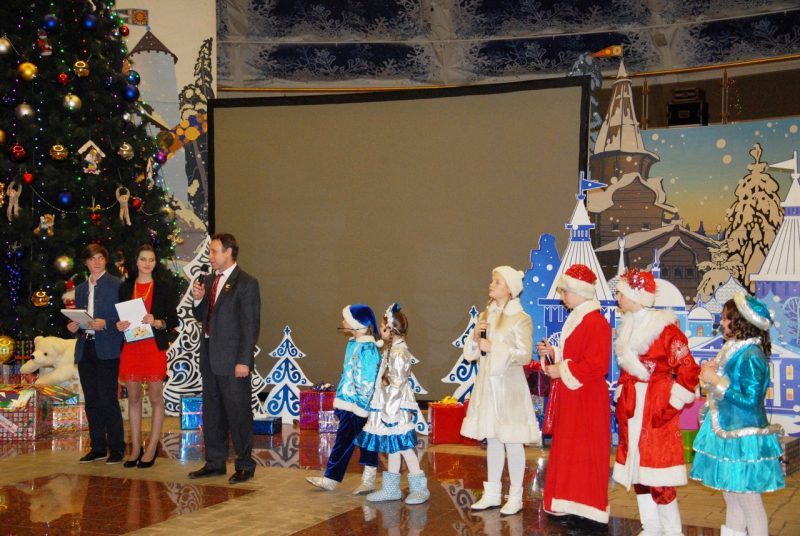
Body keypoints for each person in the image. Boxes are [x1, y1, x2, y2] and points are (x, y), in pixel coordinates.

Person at [612, 268, 701, 536]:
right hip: (633, 403)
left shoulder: (666, 329)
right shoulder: (627, 326)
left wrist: (673, 404)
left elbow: (688, 368)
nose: (617, 298)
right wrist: (622, 394)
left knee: (659, 471)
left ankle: (672, 530)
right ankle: (651, 526)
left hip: (656, 402)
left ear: (636, 296)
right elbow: (627, 370)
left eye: (621, 293)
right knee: (637, 469)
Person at [690, 292, 784, 536]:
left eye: (725, 318)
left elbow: (751, 401)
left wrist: (717, 382)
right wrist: (712, 376)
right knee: (732, 496)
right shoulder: (733, 350)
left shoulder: (751, 355)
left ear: (740, 322)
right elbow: (725, 390)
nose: (721, 323)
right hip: (729, 430)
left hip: (744, 437)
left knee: (749, 500)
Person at [537, 264, 612, 534]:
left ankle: (590, 515)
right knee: (572, 451)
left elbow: (596, 365)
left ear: (580, 292)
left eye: (565, 292)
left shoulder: (596, 322)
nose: (562, 297)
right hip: (575, 395)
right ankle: (570, 505)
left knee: (586, 454)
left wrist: (561, 369)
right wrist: (554, 353)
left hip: (587, 398)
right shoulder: (580, 318)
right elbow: (578, 356)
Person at [463, 266, 538, 516]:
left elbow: (525, 355)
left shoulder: (520, 318)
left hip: (509, 388)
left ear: (510, 288)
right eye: (492, 280)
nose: (492, 284)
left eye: (498, 281)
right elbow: (474, 354)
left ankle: (515, 496)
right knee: (493, 439)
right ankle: (492, 493)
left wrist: (493, 346)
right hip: (488, 387)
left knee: (513, 441)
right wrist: (475, 338)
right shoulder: (486, 314)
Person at [187, 233, 261, 485]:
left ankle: (244, 465)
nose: (210, 256)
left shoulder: (246, 283)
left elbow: (250, 325)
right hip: (210, 357)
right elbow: (202, 316)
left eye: (214, 251)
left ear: (229, 252)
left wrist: (244, 361)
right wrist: (198, 299)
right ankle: (215, 462)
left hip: (232, 360)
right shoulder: (209, 280)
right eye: (210, 251)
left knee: (238, 413)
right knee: (213, 412)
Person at [356, 303, 429, 504]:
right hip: (388, 404)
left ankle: (420, 489)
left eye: (382, 327)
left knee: (404, 446)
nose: (380, 330)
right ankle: (391, 489)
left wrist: (389, 411)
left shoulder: (399, 353)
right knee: (393, 446)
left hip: (395, 408)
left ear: (391, 330)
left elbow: (397, 383)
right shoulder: (393, 350)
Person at [115, 245, 179, 468]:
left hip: (153, 348)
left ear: (155, 263)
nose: (147, 263)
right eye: (143, 259)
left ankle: (151, 447)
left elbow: (173, 320)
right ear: (136, 261)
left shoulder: (163, 288)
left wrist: (157, 321)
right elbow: (120, 318)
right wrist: (120, 325)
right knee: (133, 398)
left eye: (151, 260)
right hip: (131, 348)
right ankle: (135, 448)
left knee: (155, 399)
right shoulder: (125, 287)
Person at [306, 304, 381, 492]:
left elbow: (368, 380)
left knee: (366, 442)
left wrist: (362, 406)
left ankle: (368, 481)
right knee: (343, 441)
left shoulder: (368, 349)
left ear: (356, 323)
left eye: (346, 319)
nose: (342, 321)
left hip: (361, 406)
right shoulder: (353, 344)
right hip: (348, 403)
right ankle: (331, 479)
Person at [67, 244, 125, 464]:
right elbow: (81, 318)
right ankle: (98, 447)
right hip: (86, 348)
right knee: (91, 399)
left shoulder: (117, 285)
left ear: (106, 260)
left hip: (108, 348)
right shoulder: (81, 288)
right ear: (86, 263)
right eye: (92, 259)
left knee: (107, 399)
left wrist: (106, 323)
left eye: (100, 258)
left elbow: (125, 319)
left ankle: (117, 448)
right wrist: (74, 326)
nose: (97, 262)